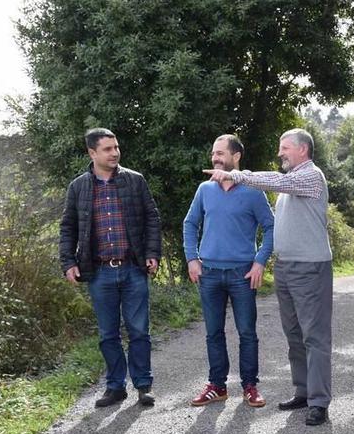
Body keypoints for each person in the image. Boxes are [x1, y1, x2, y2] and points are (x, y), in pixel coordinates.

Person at [204, 128, 333, 426]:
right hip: (287, 268)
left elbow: (278, 181)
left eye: (285, 148)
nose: (280, 153)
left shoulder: (311, 177)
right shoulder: (291, 184)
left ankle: (319, 402)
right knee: (294, 335)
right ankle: (303, 391)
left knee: (315, 336)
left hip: (311, 267)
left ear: (302, 150)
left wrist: (237, 176)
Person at [59, 128, 162, 408]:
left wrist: (152, 253)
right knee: (108, 334)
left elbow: (152, 218)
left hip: (132, 269)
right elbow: (68, 227)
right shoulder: (78, 187)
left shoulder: (134, 181)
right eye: (107, 149)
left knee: (139, 330)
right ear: (92, 153)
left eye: (116, 147)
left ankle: (143, 386)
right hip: (99, 272)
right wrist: (68, 262)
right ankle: (115, 387)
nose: (115, 152)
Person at [183, 134, 275, 408]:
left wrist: (260, 261)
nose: (215, 158)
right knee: (213, 332)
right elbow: (190, 224)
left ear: (236, 157)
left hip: (242, 274)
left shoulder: (253, 191)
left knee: (247, 332)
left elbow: (271, 226)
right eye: (214, 153)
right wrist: (192, 258)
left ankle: (250, 386)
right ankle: (217, 385)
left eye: (221, 153)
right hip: (209, 273)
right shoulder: (204, 190)